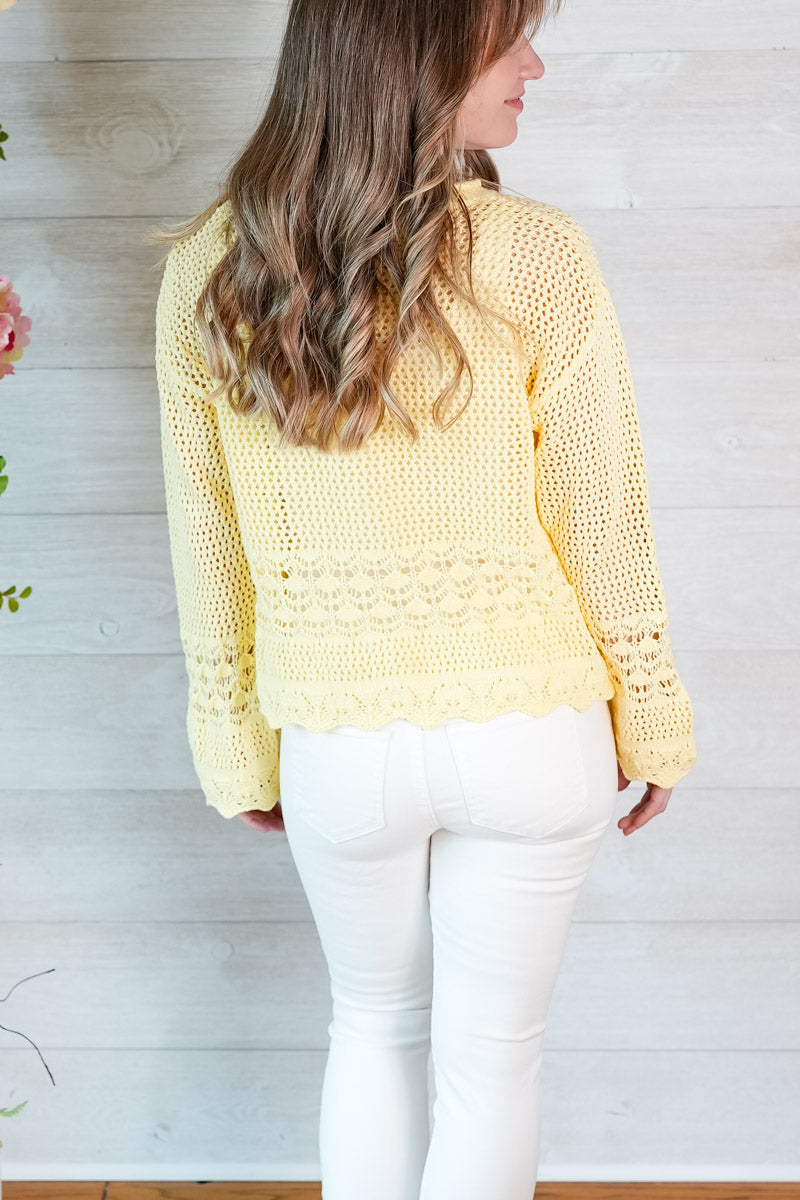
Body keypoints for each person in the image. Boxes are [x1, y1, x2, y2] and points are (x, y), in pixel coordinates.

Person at [150, 0, 697, 1195]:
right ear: (414, 57)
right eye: (508, 41)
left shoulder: (208, 270)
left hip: (337, 743)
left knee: (369, 1033)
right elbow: (601, 514)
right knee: (493, 1066)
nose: (533, 65)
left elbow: (212, 548)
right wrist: (651, 713)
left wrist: (234, 745)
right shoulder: (532, 255)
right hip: (529, 730)